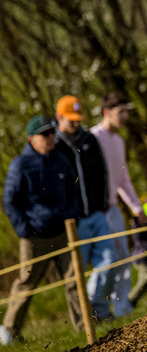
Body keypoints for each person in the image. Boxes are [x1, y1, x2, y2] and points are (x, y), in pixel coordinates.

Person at [1, 117, 85, 344]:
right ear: (31, 139)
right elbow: (9, 201)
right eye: (45, 134)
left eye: (52, 133)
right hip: (34, 237)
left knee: (74, 280)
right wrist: (24, 231)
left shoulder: (61, 160)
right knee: (26, 284)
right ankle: (9, 332)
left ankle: (84, 326)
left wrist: (73, 218)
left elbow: (73, 191)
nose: (51, 138)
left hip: (63, 232)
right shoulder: (20, 164)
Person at [52, 95, 117, 321]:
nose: (76, 124)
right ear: (59, 117)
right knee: (77, 273)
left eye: (78, 119)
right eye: (71, 120)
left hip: (97, 215)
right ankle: (85, 318)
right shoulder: (55, 145)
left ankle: (99, 309)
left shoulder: (89, 139)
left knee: (110, 260)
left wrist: (102, 205)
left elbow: (102, 173)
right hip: (74, 222)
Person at [89, 91, 145, 317]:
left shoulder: (119, 141)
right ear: (106, 113)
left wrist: (137, 207)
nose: (125, 117)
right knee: (105, 261)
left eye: (126, 111)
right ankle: (95, 308)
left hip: (113, 210)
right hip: (96, 212)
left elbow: (123, 179)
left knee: (123, 259)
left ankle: (122, 310)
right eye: (120, 112)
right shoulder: (93, 138)